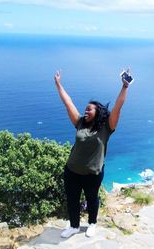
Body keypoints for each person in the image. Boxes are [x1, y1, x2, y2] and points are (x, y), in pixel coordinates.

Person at [54, 69, 130, 238]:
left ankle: (92, 224)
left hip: (93, 173)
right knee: (72, 199)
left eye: (89, 110)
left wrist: (125, 87)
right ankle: (73, 226)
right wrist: (58, 84)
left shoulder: (107, 128)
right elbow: (68, 103)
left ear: (98, 112)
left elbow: (117, 108)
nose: (86, 112)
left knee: (92, 199)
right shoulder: (80, 122)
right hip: (72, 171)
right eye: (85, 109)